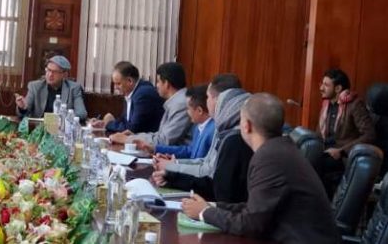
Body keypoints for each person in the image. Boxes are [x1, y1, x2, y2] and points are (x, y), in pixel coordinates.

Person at [181, 93, 339, 244]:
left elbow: (250, 225)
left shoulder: (269, 158)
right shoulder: (281, 149)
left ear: (246, 126)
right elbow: (256, 209)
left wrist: (204, 212)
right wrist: (213, 206)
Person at [153, 81, 252, 203]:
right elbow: (203, 161)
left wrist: (171, 168)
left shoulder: (228, 136)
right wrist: (174, 164)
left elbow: (209, 172)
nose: (206, 101)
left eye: (208, 97)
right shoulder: (218, 128)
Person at [317, 68, 375, 196]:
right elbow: (319, 134)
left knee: (314, 165)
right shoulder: (326, 105)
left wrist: (341, 151)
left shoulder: (355, 104)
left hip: (343, 156)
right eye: (321, 84)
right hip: (325, 150)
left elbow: (369, 135)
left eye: (326, 85)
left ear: (338, 88)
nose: (321, 88)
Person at [110, 62, 191, 145]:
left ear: (166, 84)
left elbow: (163, 141)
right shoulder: (176, 101)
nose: (156, 86)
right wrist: (135, 136)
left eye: (158, 81)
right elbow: (160, 135)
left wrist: (128, 139)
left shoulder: (181, 105)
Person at [136, 84, 215, 160]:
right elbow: (189, 151)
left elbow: (201, 164)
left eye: (188, 108)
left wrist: (172, 164)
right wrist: (155, 148)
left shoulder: (212, 131)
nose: (187, 112)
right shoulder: (197, 127)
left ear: (199, 111)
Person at [90, 61, 163, 134]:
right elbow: (125, 120)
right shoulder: (131, 92)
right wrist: (103, 123)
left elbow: (132, 128)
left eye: (118, 84)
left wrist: (108, 124)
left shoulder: (143, 94)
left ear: (130, 81)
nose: (115, 87)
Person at [15, 55, 87, 121]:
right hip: (39, 127)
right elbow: (22, 114)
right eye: (48, 70)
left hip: (62, 128)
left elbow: (82, 114)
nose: (50, 75)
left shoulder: (74, 88)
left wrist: (59, 119)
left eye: (55, 72)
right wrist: (22, 108)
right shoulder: (35, 87)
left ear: (64, 74)